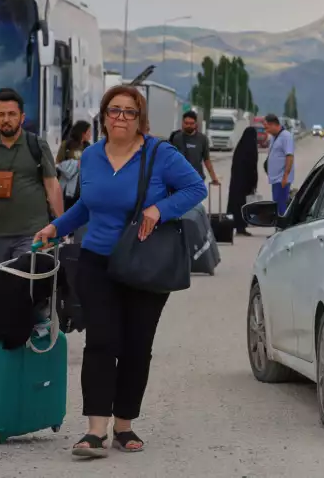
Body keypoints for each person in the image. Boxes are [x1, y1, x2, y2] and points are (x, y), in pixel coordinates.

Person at [33, 84, 206, 458]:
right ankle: (95, 429)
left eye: (129, 111)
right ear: (104, 115)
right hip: (96, 262)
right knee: (100, 342)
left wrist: (160, 209)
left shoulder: (160, 154)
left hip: (145, 263)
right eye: (114, 110)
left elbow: (195, 187)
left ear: (140, 118)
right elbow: (85, 206)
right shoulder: (91, 157)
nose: (121, 117)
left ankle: (124, 425)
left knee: (136, 346)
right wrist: (55, 228)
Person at [0, 88, 64, 266]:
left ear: (22, 117)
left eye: (12, 114)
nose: (6, 120)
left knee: (23, 284)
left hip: (33, 233)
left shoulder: (37, 145)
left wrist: (61, 225)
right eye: (1, 115)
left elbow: (52, 185)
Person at [169, 111, 220, 185]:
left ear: (196, 124)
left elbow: (207, 160)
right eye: (186, 123)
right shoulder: (176, 138)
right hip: (180, 179)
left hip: (197, 179)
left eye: (191, 123)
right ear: (182, 123)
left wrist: (214, 178)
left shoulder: (202, 139)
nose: (188, 126)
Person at [227, 127, 259, 237]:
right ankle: (241, 227)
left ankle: (231, 226)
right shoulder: (251, 149)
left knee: (235, 204)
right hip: (246, 183)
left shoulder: (240, 148)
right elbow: (252, 168)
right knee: (243, 206)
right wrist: (254, 182)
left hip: (236, 182)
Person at [263, 114, 294, 215]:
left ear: (273, 125)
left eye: (267, 127)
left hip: (281, 179)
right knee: (276, 205)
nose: (266, 130)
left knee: (281, 206)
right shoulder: (273, 137)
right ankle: (278, 226)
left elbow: (289, 156)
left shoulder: (286, 136)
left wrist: (285, 175)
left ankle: (283, 227)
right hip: (274, 178)